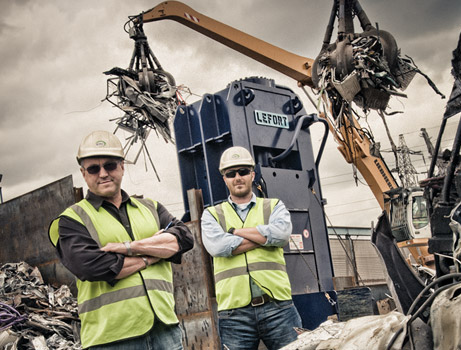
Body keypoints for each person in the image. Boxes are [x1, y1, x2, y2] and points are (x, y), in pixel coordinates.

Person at [49, 130, 194, 349]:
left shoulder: (151, 208)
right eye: (94, 168)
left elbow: (184, 239)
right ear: (83, 173)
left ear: (122, 166)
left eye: (110, 165)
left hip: (165, 329)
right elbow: (92, 267)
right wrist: (152, 257)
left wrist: (129, 248)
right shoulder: (72, 219)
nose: (103, 173)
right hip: (111, 339)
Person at [201, 146, 302, 350]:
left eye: (243, 171)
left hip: (278, 307)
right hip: (234, 313)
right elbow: (219, 247)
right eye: (231, 173)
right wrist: (265, 237)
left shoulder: (273, 206)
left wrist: (235, 232)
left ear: (252, 175)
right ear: (225, 179)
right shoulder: (212, 214)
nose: (238, 177)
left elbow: (281, 235)